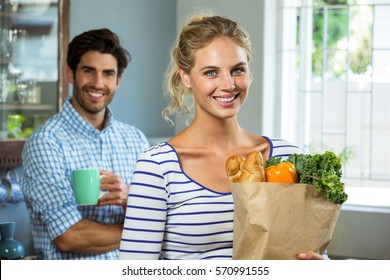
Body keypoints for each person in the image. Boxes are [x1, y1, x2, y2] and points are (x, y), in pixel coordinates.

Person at [119, 14, 324, 260]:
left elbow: (314, 249)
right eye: (211, 72)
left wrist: (321, 263)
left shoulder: (287, 157)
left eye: (237, 70)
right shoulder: (157, 168)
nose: (228, 84)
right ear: (186, 77)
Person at [21, 28, 150, 259]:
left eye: (108, 74)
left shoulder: (136, 140)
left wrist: (130, 197)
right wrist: (142, 233)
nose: (98, 83)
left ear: (118, 80)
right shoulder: (46, 142)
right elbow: (69, 236)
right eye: (89, 71)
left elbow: (158, 214)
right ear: (71, 73)